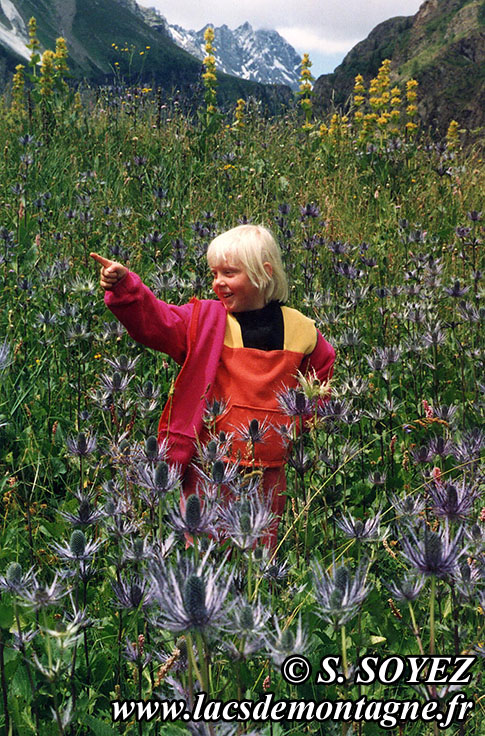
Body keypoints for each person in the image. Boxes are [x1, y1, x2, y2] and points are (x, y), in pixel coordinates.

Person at [91, 224, 335, 546]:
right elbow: (158, 322)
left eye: (229, 273)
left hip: (269, 469)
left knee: (259, 553)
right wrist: (127, 289)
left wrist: (297, 425)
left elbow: (323, 376)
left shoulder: (301, 330)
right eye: (214, 273)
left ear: (263, 273)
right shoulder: (205, 321)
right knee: (206, 548)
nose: (217, 283)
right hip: (210, 464)